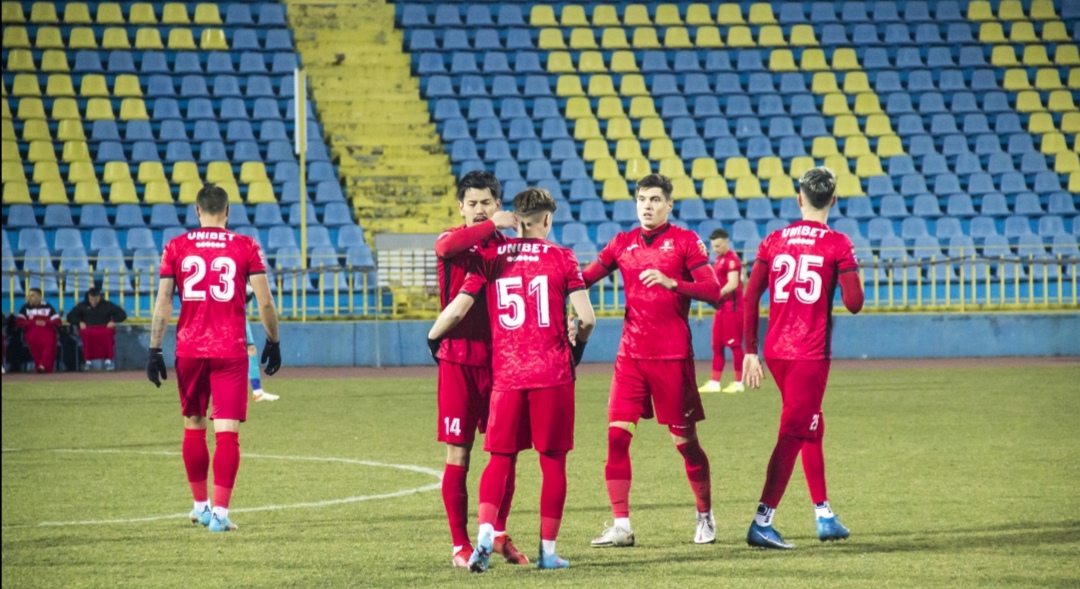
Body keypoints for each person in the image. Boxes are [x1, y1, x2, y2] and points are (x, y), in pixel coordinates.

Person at [428, 187, 595, 571]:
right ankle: (548, 552)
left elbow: (459, 307)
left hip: (504, 375)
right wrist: (577, 348)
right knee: (552, 462)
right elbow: (586, 320)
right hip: (551, 374)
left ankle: (486, 531)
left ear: (513, 216)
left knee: (498, 459)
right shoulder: (562, 257)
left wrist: (434, 335)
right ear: (547, 220)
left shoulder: (491, 256)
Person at [580, 174, 722, 547]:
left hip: (672, 358)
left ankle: (705, 515)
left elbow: (714, 292)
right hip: (630, 357)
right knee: (615, 439)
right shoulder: (622, 243)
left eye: (655, 199)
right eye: (642, 199)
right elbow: (584, 279)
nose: (647, 205)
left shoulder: (686, 242)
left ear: (669, 205)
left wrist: (675, 283)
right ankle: (621, 525)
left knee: (685, 443)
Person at [741, 167, 865, 549]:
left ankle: (824, 513)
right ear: (833, 200)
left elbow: (749, 297)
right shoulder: (837, 243)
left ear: (799, 199)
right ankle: (762, 521)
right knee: (794, 432)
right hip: (809, 353)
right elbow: (855, 303)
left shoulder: (774, 239)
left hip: (777, 351)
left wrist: (749, 351)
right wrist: (848, 269)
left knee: (813, 424)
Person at [146, 184, 281, 533]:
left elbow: (163, 301)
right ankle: (220, 515)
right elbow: (264, 302)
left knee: (193, 425)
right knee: (227, 434)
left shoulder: (176, 247)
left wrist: (154, 348)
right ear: (228, 211)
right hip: (230, 349)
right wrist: (273, 340)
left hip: (189, 349)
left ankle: (199, 507)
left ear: (196, 210)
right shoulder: (245, 246)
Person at [432, 171, 527, 568]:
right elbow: (450, 244)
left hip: (502, 363)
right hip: (457, 360)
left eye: (486, 202)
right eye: (471, 203)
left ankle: (497, 533)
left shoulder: (511, 251)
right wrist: (492, 224)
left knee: (505, 454)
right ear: (460, 207)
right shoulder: (450, 244)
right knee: (459, 454)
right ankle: (460, 545)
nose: (478, 210)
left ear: (497, 203)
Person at [698, 228, 746, 394]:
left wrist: (716, 295)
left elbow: (733, 284)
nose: (716, 249)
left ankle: (738, 382)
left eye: (718, 245)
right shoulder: (719, 259)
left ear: (726, 241)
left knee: (734, 345)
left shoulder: (732, 260)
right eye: (714, 246)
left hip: (732, 308)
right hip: (721, 308)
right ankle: (715, 381)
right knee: (717, 344)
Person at [67, 287, 127, 371]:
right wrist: (79, 322)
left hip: (104, 328)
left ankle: (108, 360)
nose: (93, 302)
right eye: (91, 299)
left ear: (99, 297)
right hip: (88, 329)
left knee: (107, 334)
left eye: (95, 299)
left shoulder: (107, 305)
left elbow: (122, 314)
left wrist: (113, 321)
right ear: (88, 298)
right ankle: (87, 361)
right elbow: (70, 317)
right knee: (86, 334)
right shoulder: (82, 306)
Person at [244, 286, 278, 402]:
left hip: (210, 315)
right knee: (249, 349)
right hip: (232, 315)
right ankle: (257, 391)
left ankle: (257, 391)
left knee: (250, 348)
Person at [16, 288, 61, 373]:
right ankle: (40, 366)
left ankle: (42, 365)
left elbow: (57, 320)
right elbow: (19, 322)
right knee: (34, 347)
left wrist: (46, 322)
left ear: (39, 296)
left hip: (47, 330)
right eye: (29, 296)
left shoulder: (48, 306)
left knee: (50, 343)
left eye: (32, 295)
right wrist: (33, 322)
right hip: (32, 331)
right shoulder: (25, 307)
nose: (30, 297)